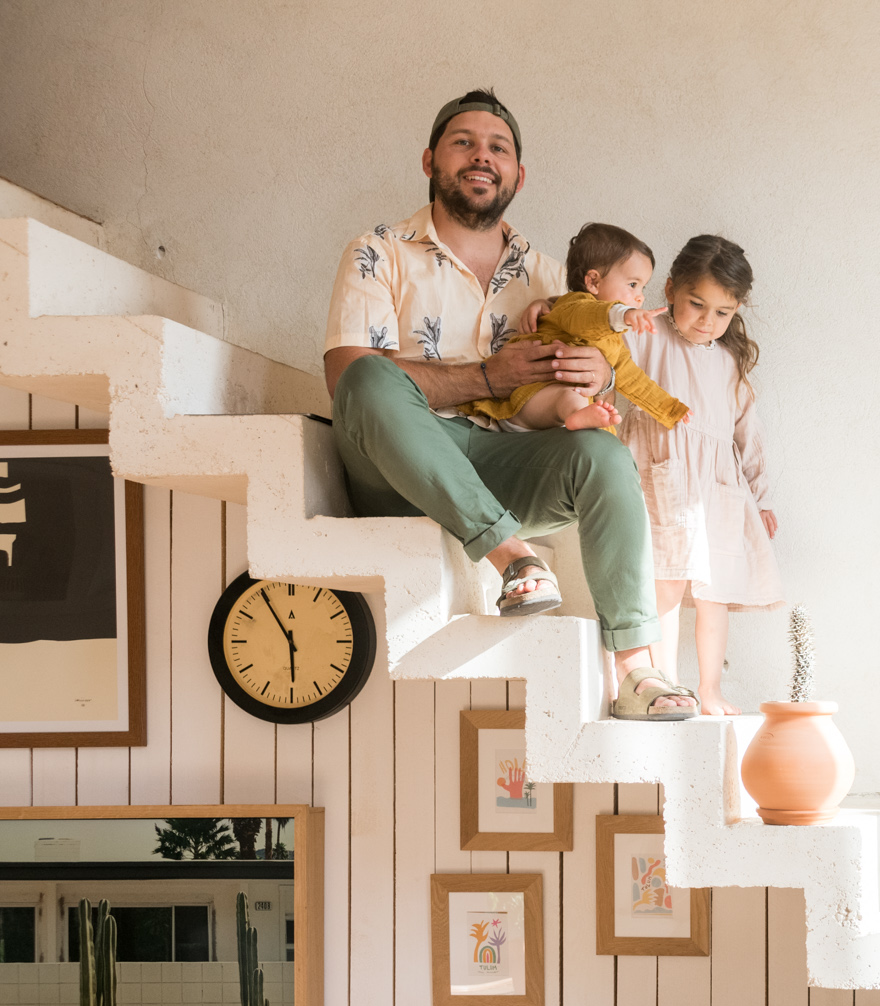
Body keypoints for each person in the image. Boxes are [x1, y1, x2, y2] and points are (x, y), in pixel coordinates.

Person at [322, 89, 695, 719]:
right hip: (400, 465)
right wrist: (487, 378)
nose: (481, 156)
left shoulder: (551, 277)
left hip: (506, 463)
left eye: (498, 148)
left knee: (603, 456)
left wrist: (601, 371)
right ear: (430, 160)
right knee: (368, 377)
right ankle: (513, 556)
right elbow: (346, 379)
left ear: (518, 175)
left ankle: (637, 670)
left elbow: (596, 362)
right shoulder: (377, 251)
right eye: (463, 142)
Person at [615, 234, 782, 716]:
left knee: (715, 594)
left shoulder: (729, 362)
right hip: (661, 474)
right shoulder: (645, 333)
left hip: (718, 488)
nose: (708, 321)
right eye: (696, 304)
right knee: (666, 581)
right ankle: (663, 681)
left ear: (736, 311)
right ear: (670, 289)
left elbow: (748, 435)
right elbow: (597, 339)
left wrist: (760, 498)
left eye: (722, 312)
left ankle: (710, 688)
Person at [461, 222, 690, 435]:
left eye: (642, 288)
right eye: (632, 285)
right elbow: (589, 317)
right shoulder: (572, 306)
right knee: (570, 396)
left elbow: (634, 380)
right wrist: (623, 314)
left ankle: (584, 421)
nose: (640, 297)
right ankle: (578, 416)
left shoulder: (614, 344)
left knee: (599, 424)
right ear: (593, 282)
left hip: (556, 417)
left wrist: (670, 409)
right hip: (529, 399)